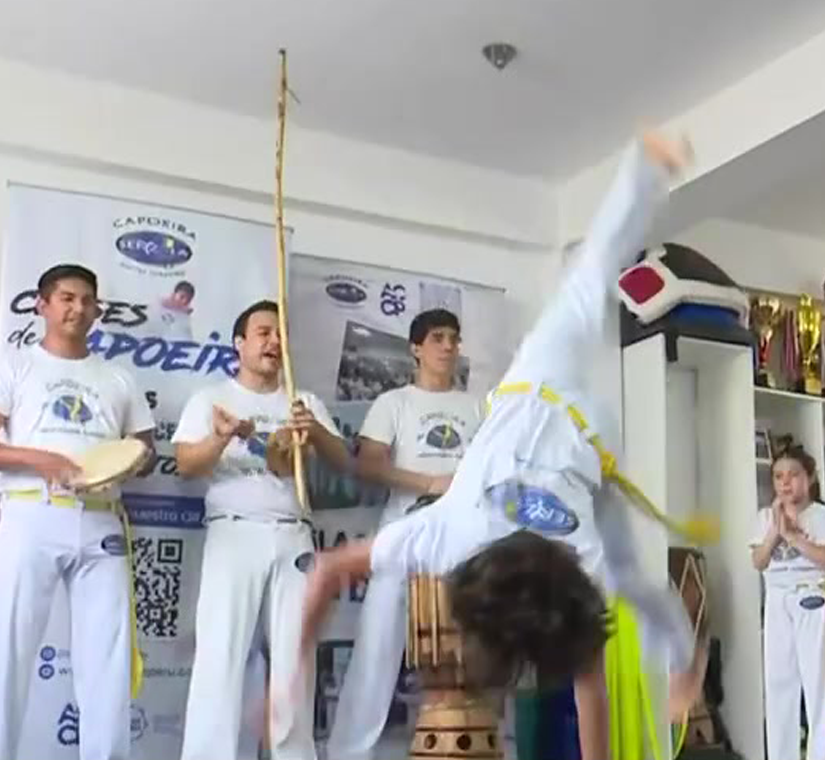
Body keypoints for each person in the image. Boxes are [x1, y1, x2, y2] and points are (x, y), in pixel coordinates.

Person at [287, 131, 708, 760]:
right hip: (560, 406)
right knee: (588, 277)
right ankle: (646, 167)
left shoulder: (557, 559)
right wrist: (290, 682)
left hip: (582, 427)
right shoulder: (457, 534)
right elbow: (591, 690)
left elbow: (590, 688)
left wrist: (287, 681)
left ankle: (685, 667)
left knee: (634, 579)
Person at [0, 263, 156, 760]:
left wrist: (132, 463)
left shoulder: (118, 377)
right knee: (7, 655)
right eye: (67, 298)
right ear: (42, 304)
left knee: (109, 663)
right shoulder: (14, 366)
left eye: (88, 300)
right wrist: (42, 460)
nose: (78, 308)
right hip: (32, 515)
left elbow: (145, 450)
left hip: (102, 519)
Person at [175, 300, 350, 760]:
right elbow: (186, 465)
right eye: (264, 332)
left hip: (293, 535)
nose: (274, 342)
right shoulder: (211, 398)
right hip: (234, 533)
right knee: (221, 656)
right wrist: (221, 437)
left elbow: (342, 462)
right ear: (240, 343)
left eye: (280, 335)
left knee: (296, 662)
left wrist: (314, 430)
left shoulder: (302, 401)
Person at [329, 308, 484, 760]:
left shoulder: (478, 406)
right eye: (438, 338)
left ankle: (467, 743)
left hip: (463, 533)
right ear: (416, 348)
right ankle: (348, 753)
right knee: (377, 644)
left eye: (454, 338)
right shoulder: (393, 403)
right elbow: (369, 464)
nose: (448, 346)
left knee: (467, 643)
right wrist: (432, 483)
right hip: (405, 528)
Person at [750, 444, 825, 760]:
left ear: (809, 478)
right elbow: (759, 561)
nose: (786, 483)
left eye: (793, 475)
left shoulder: (823, 515)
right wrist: (776, 531)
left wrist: (793, 536)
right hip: (777, 597)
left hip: (811, 595)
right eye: (778, 477)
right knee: (779, 684)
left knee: (818, 684)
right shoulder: (765, 517)